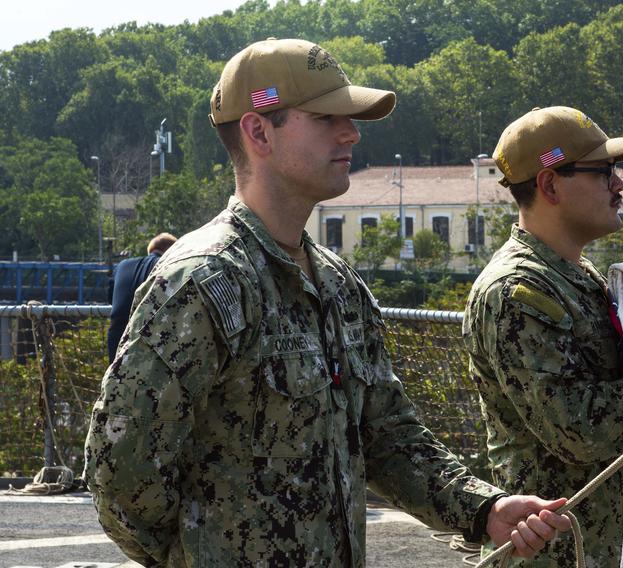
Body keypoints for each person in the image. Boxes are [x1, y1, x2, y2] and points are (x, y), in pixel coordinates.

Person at [83, 38, 570, 567]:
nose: (351, 132)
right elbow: (122, 472)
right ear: (258, 131)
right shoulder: (203, 281)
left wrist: (486, 509)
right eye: (325, 118)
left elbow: (389, 438)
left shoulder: (339, 285)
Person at [463, 106, 623, 566]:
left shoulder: (574, 275)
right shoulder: (517, 293)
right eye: (604, 172)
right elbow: (578, 432)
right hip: (565, 554)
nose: (619, 186)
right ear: (549, 184)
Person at [107, 232, 177, 362]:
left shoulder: (122, 265)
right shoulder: (169, 265)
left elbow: (111, 299)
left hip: (117, 335)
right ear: (171, 251)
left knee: (115, 381)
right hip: (147, 338)